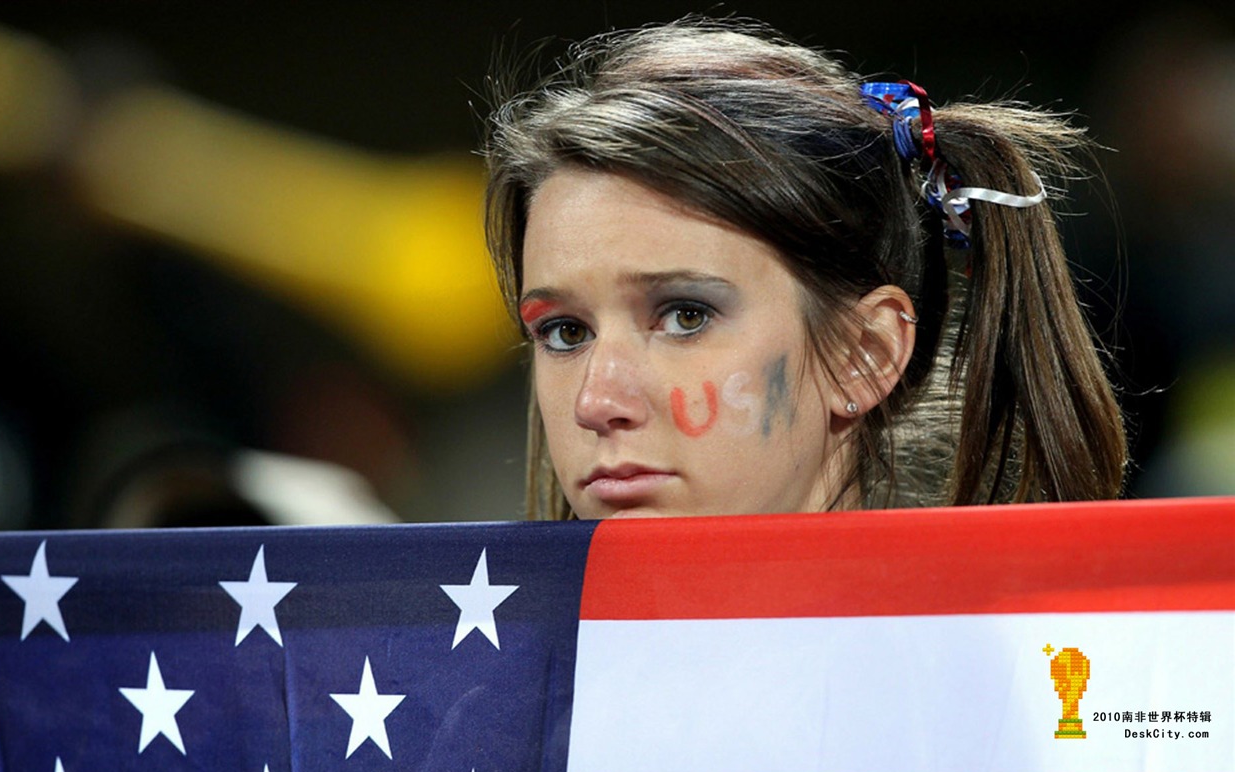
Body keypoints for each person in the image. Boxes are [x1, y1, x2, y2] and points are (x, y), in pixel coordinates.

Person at [482, 17, 1126, 520]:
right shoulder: (465, 688)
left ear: (865, 352)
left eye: (685, 315)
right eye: (565, 331)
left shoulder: (1016, 684)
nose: (598, 402)